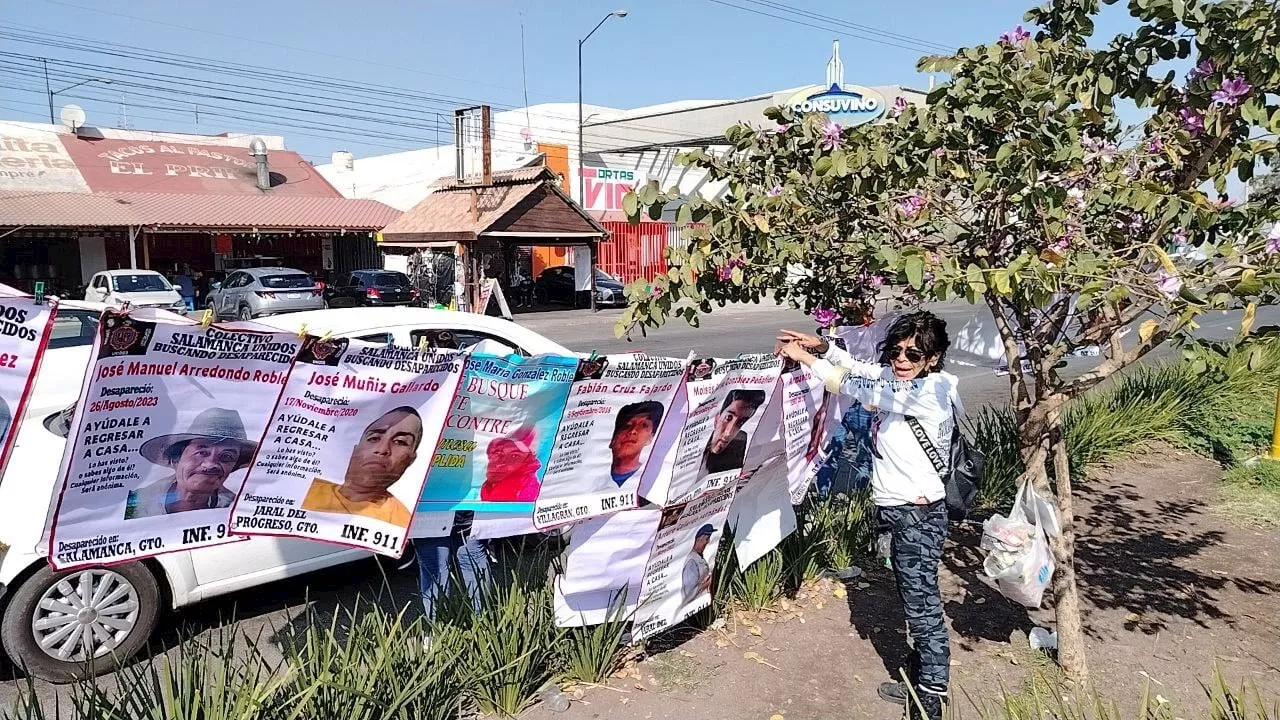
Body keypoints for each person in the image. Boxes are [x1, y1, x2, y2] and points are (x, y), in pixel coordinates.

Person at [778, 311, 959, 720]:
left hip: (916, 514)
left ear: (933, 357)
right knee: (912, 598)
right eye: (896, 351)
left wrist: (808, 360)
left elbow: (855, 385)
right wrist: (823, 347)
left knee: (923, 607)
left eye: (914, 353)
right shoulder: (909, 382)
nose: (902, 360)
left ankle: (931, 699)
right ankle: (920, 676)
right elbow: (869, 371)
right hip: (900, 509)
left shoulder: (927, 394)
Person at [126, 408, 257, 519]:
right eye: (202, 452)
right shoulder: (134, 505)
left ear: (233, 466)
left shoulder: (240, 512)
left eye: (226, 456)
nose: (210, 464)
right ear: (177, 458)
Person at [302, 406, 419, 526]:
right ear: (355, 450)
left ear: (411, 460)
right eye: (374, 438)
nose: (382, 449)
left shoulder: (401, 522)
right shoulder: (301, 488)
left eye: (400, 441)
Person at [601, 401, 664, 491]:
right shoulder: (592, 480)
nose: (633, 430)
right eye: (627, 425)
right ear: (612, 438)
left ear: (650, 437)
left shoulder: (656, 483)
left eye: (644, 425)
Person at [701, 389, 766, 475]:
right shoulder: (700, 442)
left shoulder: (739, 448)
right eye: (728, 418)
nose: (728, 433)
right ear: (717, 419)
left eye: (740, 423)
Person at [478, 426, 542, 502]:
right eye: (500, 454)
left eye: (514, 456)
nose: (504, 460)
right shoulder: (490, 482)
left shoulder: (528, 486)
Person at [680, 523, 716, 605]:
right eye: (707, 539)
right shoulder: (692, 562)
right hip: (694, 606)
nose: (708, 542)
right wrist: (707, 583)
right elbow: (689, 593)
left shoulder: (698, 558)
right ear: (699, 539)